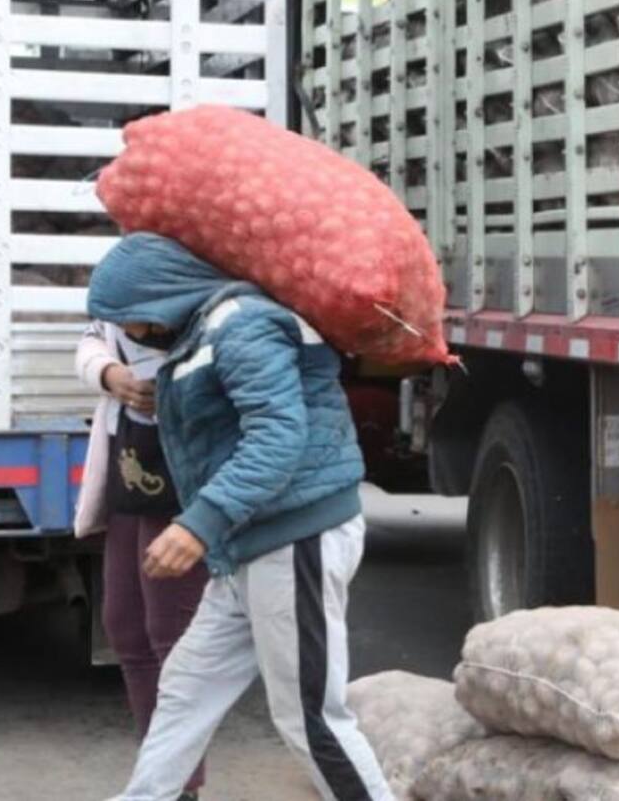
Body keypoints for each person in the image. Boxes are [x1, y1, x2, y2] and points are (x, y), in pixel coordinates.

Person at [90, 232, 393, 801]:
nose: (129, 334)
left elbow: (277, 437)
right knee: (184, 688)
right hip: (246, 545)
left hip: (295, 535)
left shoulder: (242, 325)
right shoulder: (201, 332)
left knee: (310, 718)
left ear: (158, 299)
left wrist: (198, 523)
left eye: (128, 319)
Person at [75, 319, 208, 801]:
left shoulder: (201, 278)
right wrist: (112, 375)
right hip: (129, 465)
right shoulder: (126, 273)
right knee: (125, 628)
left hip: (181, 473)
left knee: (170, 637)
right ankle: (160, 776)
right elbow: (90, 340)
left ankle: (179, 784)